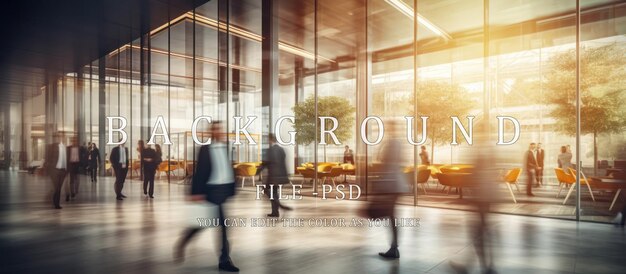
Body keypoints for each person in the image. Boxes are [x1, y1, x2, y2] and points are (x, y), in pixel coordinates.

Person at [174, 121, 239, 272]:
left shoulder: (227, 147)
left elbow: (229, 168)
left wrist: (232, 188)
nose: (219, 132)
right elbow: (200, 172)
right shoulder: (205, 149)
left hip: (222, 191)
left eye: (220, 129)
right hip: (210, 191)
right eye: (215, 129)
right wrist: (195, 193)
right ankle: (224, 260)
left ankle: (185, 241)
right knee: (220, 225)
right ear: (211, 132)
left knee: (208, 224)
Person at [264, 133, 293, 217]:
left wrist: (258, 170)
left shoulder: (270, 150)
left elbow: (268, 163)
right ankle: (275, 212)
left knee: (267, 191)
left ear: (270, 140)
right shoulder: (281, 149)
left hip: (273, 176)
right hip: (280, 176)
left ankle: (280, 206)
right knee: (274, 193)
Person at [44, 133, 68, 209]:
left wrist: (66, 170)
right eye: (60, 137)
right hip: (54, 170)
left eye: (63, 137)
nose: (61, 139)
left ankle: (56, 202)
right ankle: (56, 203)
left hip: (63, 171)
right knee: (57, 187)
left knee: (59, 188)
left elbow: (67, 159)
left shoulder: (65, 147)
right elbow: (47, 159)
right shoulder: (51, 147)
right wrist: (49, 169)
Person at [65, 137, 82, 201]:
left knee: (77, 179)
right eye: (73, 141)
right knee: (71, 180)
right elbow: (66, 157)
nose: (74, 142)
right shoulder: (68, 148)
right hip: (71, 164)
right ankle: (72, 192)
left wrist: (82, 164)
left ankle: (76, 190)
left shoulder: (80, 148)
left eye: (75, 141)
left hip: (77, 165)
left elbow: (83, 156)